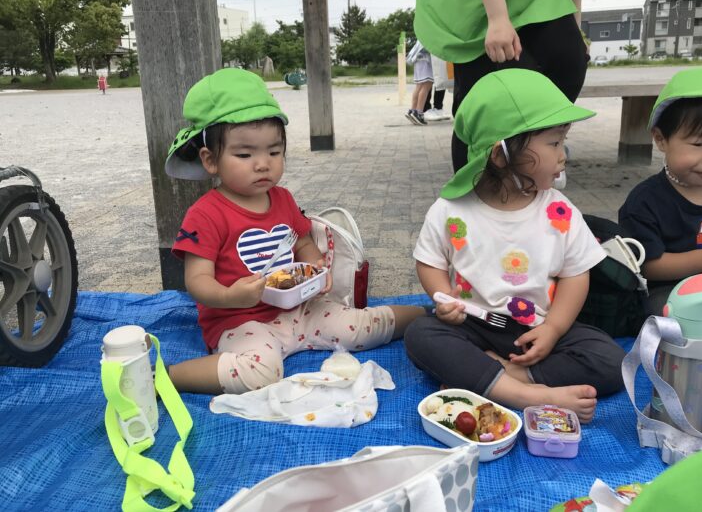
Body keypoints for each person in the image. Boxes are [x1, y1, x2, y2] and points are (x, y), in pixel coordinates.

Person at [163, 68, 424, 395]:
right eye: (244, 154)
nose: (263, 163)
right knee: (260, 371)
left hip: (300, 309)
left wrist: (318, 270)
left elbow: (303, 243)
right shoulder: (205, 214)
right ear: (210, 160)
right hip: (240, 321)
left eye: (274, 152)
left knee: (360, 326)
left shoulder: (283, 199)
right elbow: (197, 280)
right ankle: (165, 377)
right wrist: (231, 296)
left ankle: (427, 314)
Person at [404, 69, 625, 422]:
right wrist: (443, 299)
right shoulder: (450, 210)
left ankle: (504, 376)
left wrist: (553, 329)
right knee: (422, 334)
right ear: (500, 155)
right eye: (554, 143)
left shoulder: (559, 210)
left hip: (537, 326)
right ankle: (527, 395)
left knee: (610, 360)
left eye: (562, 142)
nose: (563, 155)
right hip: (472, 323)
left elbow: (575, 274)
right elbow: (429, 261)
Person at [619, 66, 702, 431]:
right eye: (699, 144)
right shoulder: (645, 202)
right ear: (661, 139)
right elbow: (649, 267)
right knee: (684, 325)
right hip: (673, 298)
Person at [414, 0, 589, 172]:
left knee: (570, 61)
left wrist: (575, 25)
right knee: (488, 96)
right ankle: (474, 184)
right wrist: (497, 18)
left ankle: (539, 156)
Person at [405, 41, 434, 126]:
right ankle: (419, 113)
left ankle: (412, 111)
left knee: (419, 86)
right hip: (426, 59)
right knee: (426, 86)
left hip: (418, 58)